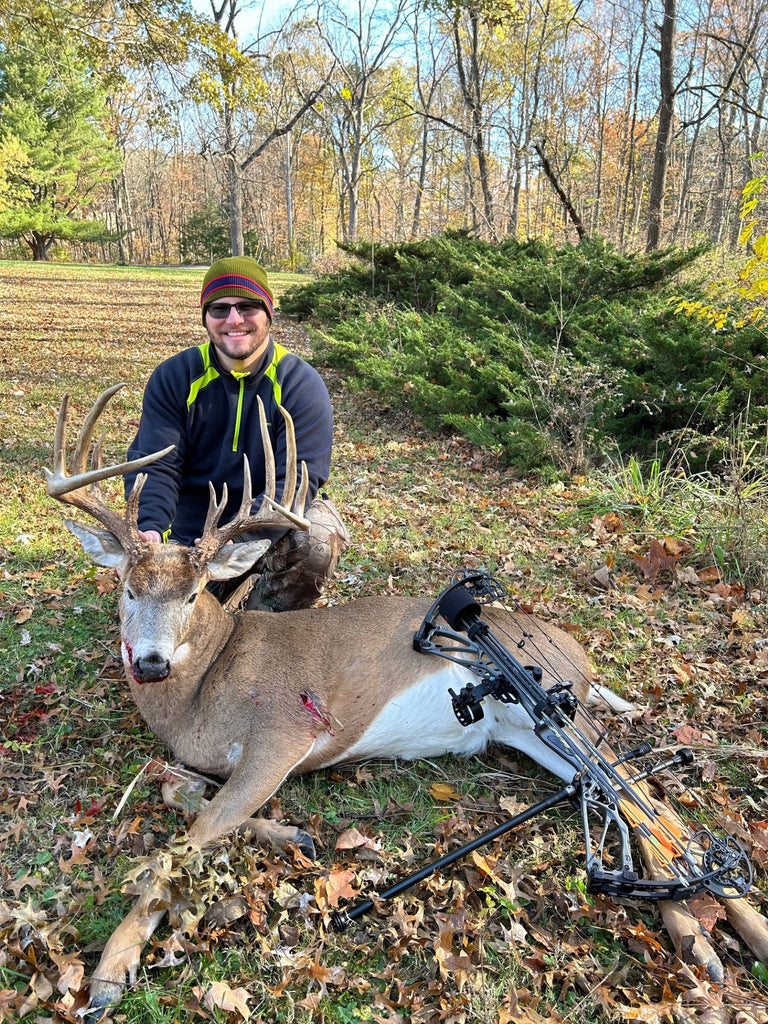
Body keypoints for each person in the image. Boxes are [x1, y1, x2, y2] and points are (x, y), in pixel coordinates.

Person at [125, 256, 349, 611]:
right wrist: (151, 529)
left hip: (261, 536)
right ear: (205, 317)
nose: (234, 320)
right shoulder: (175, 377)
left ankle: (265, 621)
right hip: (188, 543)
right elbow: (157, 464)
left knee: (319, 536)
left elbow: (299, 482)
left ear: (268, 313)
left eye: (247, 306)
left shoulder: (299, 385)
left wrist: (238, 539)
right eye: (219, 309)